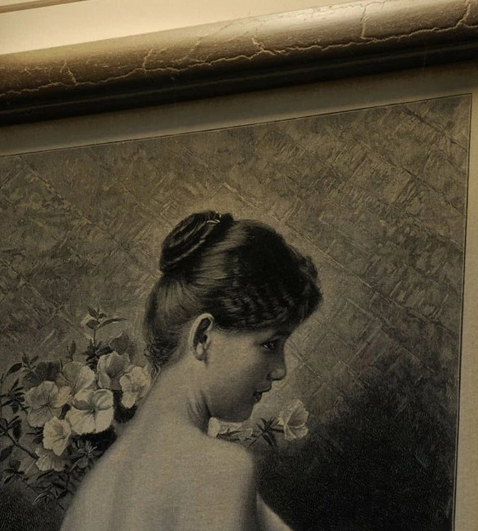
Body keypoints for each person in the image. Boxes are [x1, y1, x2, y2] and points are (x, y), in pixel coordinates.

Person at [61, 211, 322, 531]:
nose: (281, 370)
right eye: (270, 344)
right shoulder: (219, 470)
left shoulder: (95, 491)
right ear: (203, 338)